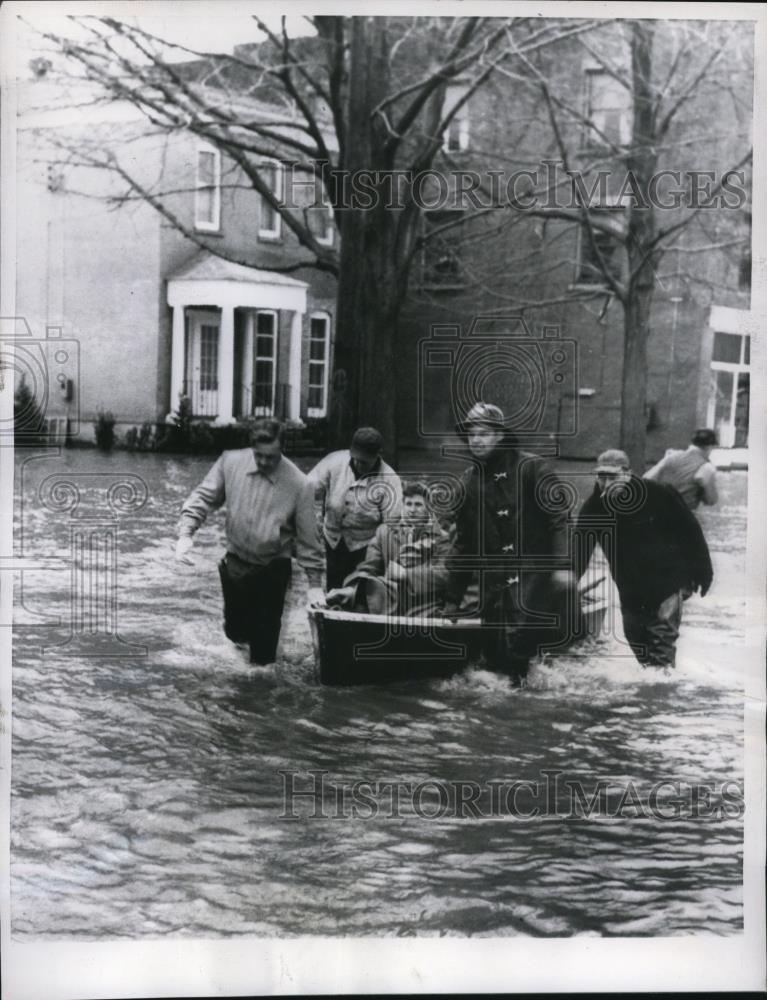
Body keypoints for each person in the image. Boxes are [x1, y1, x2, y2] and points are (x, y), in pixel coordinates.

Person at [440, 402, 577, 684]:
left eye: (484, 433)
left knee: (518, 647)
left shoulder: (532, 468)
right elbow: (464, 544)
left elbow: (559, 519)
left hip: (534, 573)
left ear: (500, 435)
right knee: (496, 655)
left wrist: (563, 567)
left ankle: (524, 708)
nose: (476, 440)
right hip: (494, 580)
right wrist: (453, 599)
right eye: (471, 434)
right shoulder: (468, 482)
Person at [175, 418, 324, 665]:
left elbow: (309, 538)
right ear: (251, 447)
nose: (265, 462)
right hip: (235, 562)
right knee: (235, 634)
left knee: (262, 656)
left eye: (271, 457)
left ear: (282, 449)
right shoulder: (229, 461)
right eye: (259, 456)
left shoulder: (300, 484)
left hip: (272, 568)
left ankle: (260, 696)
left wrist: (315, 583)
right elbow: (203, 497)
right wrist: (186, 534)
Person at [574, 448, 713, 668]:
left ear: (628, 474)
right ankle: (652, 693)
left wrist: (704, 572)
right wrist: (567, 586)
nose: (607, 483)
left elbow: (690, 531)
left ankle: (662, 693)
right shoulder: (593, 510)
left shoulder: (659, 493)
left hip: (668, 583)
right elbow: (579, 553)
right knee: (638, 645)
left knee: (661, 647)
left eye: (613, 476)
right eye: (602, 477)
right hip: (630, 590)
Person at [326, 480, 452, 616]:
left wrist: (406, 574)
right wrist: (359, 587)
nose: (412, 510)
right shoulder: (385, 532)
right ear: (403, 505)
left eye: (418, 505)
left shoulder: (442, 538)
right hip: (387, 599)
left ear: (428, 508)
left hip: (424, 604)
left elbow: (444, 575)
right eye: (408, 504)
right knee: (357, 597)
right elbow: (370, 567)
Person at [307, 426, 403, 589]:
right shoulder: (334, 461)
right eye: (355, 458)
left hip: (365, 546)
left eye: (364, 461)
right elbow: (307, 488)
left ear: (376, 455)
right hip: (333, 539)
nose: (358, 464)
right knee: (334, 590)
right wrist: (312, 518)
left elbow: (391, 525)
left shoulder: (390, 480)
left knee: (359, 592)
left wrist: (382, 558)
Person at [644, 428, 719, 511]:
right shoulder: (706, 467)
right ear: (710, 447)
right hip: (683, 516)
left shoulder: (671, 457)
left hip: (658, 511)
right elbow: (711, 500)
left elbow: (647, 478)